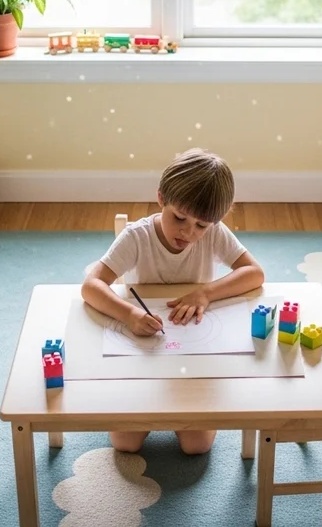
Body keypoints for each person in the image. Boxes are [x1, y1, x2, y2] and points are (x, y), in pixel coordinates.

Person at [81, 148, 265, 455]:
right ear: (161, 198)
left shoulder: (214, 232)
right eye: (179, 217)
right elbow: (91, 286)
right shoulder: (136, 237)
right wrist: (128, 314)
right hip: (145, 350)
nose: (188, 232)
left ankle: (194, 405)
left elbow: (255, 274)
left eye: (201, 226)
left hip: (194, 351)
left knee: (197, 446)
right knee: (125, 443)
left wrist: (205, 293)